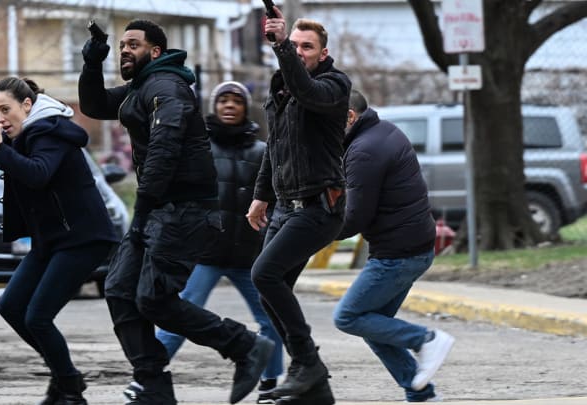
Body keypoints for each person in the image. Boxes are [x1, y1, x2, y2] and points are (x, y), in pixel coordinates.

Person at [78, 19, 274, 405]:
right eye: (121, 45)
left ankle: (245, 347)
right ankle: (153, 384)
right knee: (119, 290)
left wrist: (142, 212)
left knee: (154, 299)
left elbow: (165, 151)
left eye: (132, 44)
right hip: (161, 209)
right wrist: (91, 63)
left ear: (155, 52)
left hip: (185, 211)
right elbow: (95, 105)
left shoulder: (167, 87)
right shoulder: (141, 87)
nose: (124, 50)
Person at [0, 77, 121, 405]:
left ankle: (69, 387)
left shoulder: (51, 131)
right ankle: (63, 378)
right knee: (11, 306)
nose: (1, 117)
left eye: (6, 109)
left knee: (37, 316)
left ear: (27, 105)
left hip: (83, 236)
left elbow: (38, 173)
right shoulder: (21, 134)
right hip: (50, 240)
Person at [153, 81, 284, 404]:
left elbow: (275, 199)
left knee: (270, 319)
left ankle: (271, 384)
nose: (229, 106)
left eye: (235, 101)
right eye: (222, 100)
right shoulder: (200, 147)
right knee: (179, 313)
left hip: (250, 255)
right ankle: (149, 374)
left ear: (244, 107)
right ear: (214, 107)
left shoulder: (262, 152)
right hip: (205, 254)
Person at [247, 7, 351, 405]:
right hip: (284, 207)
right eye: (294, 45)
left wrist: (281, 48)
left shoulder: (334, 85)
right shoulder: (280, 87)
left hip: (319, 206)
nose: (300, 51)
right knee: (270, 291)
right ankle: (316, 389)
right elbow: (274, 147)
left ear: (322, 53)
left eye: (307, 46)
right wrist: (261, 195)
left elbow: (308, 91)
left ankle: (307, 363)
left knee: (264, 274)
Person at [332, 90, 455, 403]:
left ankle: (426, 339)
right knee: (374, 324)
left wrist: (314, 233)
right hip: (414, 246)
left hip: (398, 254)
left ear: (349, 117)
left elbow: (356, 217)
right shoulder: (383, 131)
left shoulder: (363, 150)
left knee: (347, 317)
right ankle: (422, 395)